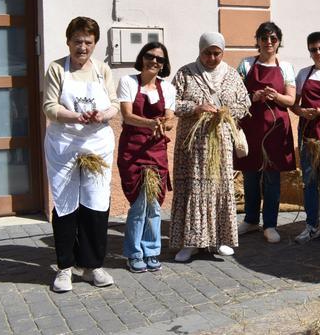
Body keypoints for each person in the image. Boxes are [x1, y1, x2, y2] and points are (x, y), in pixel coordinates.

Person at [43, 17, 119, 292]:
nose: (82, 47)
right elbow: (50, 107)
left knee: (96, 204)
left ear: (95, 43)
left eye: (88, 41)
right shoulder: (56, 69)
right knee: (65, 204)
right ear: (68, 42)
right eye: (77, 41)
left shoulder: (102, 70)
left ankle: (92, 265)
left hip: (97, 145)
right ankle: (65, 268)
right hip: (64, 145)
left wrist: (102, 114)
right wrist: (76, 116)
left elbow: (113, 105)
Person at [170, 32, 251, 262]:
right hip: (192, 144)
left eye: (217, 53)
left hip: (221, 143)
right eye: (208, 53)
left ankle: (218, 240)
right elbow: (172, 103)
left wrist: (226, 111)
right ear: (200, 51)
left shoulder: (232, 75)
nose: (212, 58)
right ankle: (190, 243)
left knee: (219, 187)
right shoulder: (186, 73)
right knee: (193, 189)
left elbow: (244, 103)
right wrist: (196, 108)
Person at [234, 22, 297, 243]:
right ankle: (251, 220)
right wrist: (254, 97)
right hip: (252, 128)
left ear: (279, 41)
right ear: (258, 41)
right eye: (264, 38)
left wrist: (275, 96)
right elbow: (235, 96)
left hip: (276, 131)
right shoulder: (246, 64)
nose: (268, 42)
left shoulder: (286, 67)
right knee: (251, 175)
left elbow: (291, 99)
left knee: (272, 178)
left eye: (273, 38)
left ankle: (270, 224)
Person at [117, 42, 175, 273]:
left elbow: (170, 118)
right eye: (150, 56)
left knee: (154, 203)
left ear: (164, 65)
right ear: (142, 58)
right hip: (134, 149)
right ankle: (134, 252)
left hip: (156, 150)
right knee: (139, 203)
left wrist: (165, 124)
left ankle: (151, 250)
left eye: (160, 59)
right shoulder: (128, 82)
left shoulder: (167, 88)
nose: (154, 61)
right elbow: (127, 115)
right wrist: (152, 122)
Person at [292, 32, 320, 244]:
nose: (318, 53)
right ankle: (311, 224)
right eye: (313, 49)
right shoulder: (303, 74)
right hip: (309, 136)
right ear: (309, 52)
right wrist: (302, 112)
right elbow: (294, 103)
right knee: (309, 181)